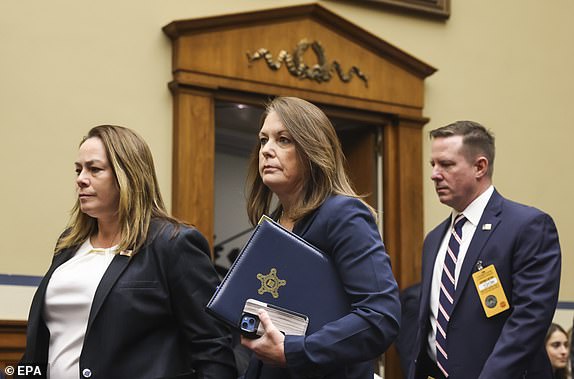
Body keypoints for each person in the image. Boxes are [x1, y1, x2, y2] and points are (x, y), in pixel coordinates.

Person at [18, 125, 236, 379]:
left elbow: (213, 348)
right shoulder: (68, 243)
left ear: (128, 175)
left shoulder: (172, 243)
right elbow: (42, 344)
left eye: (94, 169)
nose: (80, 179)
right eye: (79, 170)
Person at [240, 97, 401, 379]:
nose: (266, 150)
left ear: (312, 149)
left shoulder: (344, 214)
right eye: (263, 140)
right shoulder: (272, 224)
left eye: (284, 140)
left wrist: (295, 351)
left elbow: (380, 317)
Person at [410, 121, 561, 379]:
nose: (435, 174)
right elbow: (430, 326)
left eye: (446, 164)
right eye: (432, 165)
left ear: (480, 166)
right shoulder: (434, 239)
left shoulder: (528, 226)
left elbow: (528, 321)